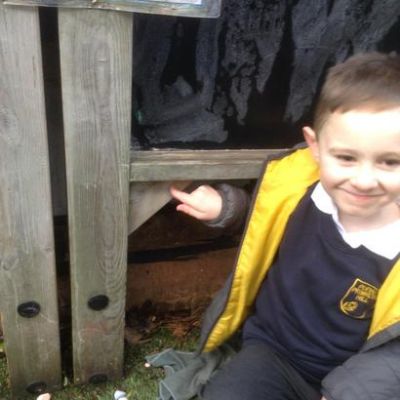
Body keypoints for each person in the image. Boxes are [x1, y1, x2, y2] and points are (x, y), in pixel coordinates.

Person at [168, 52, 400, 400]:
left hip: (352, 378)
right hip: (272, 352)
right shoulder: (295, 191)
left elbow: (393, 354)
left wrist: (350, 390)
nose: (364, 180)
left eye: (390, 162)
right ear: (315, 147)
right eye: (346, 158)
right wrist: (227, 208)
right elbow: (262, 222)